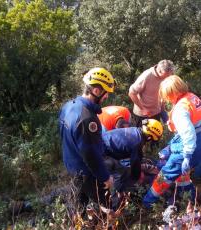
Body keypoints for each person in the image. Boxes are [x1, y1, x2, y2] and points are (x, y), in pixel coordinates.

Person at [143, 75, 201, 208]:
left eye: (166, 95)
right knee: (182, 172)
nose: (165, 99)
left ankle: (148, 201)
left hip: (192, 145)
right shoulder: (192, 98)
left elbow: (189, 134)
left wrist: (187, 155)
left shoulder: (180, 109)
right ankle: (189, 195)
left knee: (166, 173)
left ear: (172, 93)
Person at [59, 67, 115, 211]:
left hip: (71, 166)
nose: (106, 97)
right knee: (106, 204)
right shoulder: (87, 119)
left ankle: (78, 223)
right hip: (86, 172)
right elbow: (91, 155)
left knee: (79, 205)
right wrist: (105, 177)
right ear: (96, 91)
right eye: (106, 93)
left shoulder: (68, 106)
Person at [102, 119, 163, 183]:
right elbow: (135, 164)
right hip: (102, 154)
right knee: (124, 174)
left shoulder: (135, 130)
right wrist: (137, 176)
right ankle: (117, 190)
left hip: (104, 144)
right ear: (149, 137)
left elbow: (135, 155)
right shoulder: (137, 142)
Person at [128, 59, 175, 126]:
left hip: (156, 113)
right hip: (143, 115)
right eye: (167, 75)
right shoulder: (146, 76)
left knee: (155, 135)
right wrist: (143, 109)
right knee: (142, 135)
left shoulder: (166, 76)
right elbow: (131, 93)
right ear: (160, 71)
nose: (168, 77)